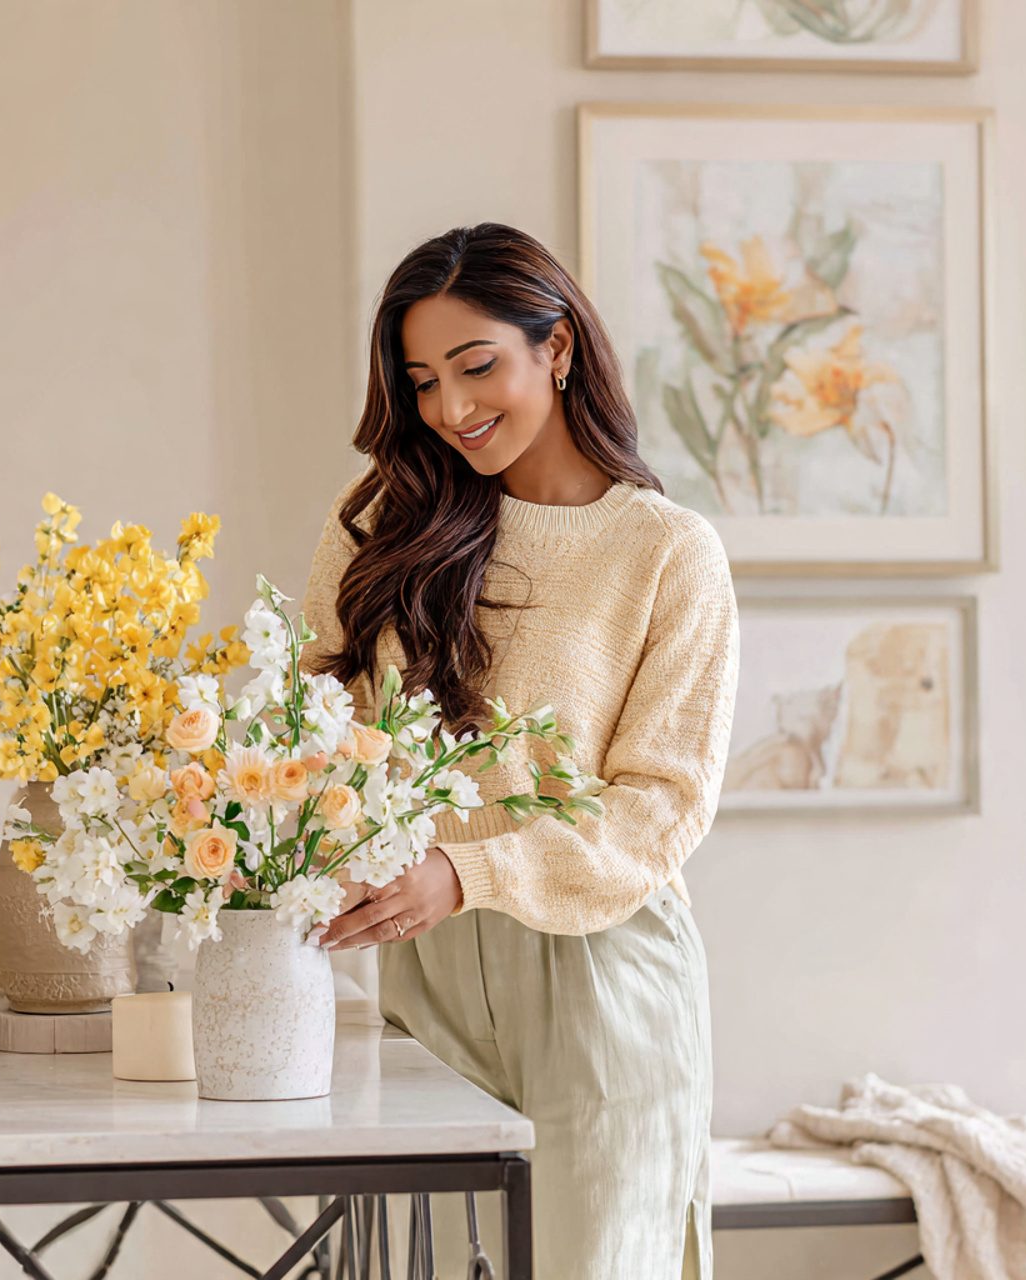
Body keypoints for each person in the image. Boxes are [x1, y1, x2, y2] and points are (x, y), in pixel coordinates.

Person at [305, 223, 738, 1279]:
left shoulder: (665, 551)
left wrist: (470, 872)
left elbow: (661, 804)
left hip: (599, 977)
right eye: (421, 382)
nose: (450, 408)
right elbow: (311, 724)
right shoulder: (380, 527)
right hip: (420, 965)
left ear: (556, 347)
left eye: (475, 365)